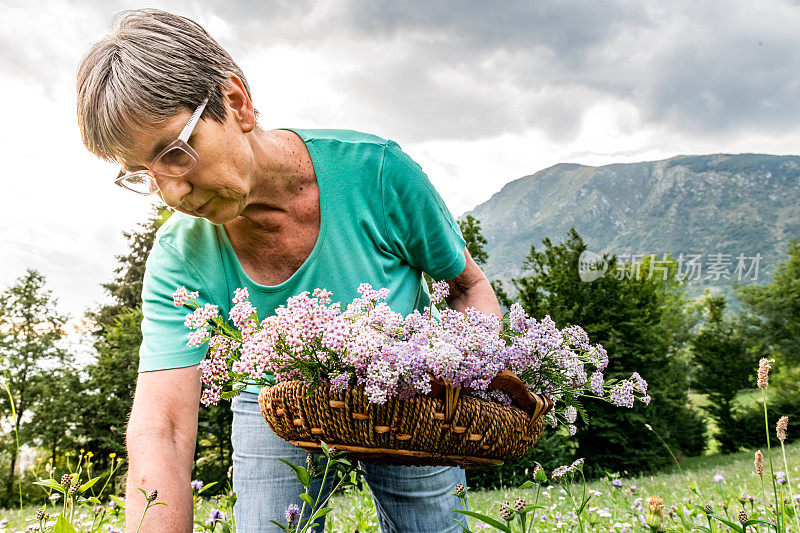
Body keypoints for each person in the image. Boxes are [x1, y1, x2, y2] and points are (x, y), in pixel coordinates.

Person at [77, 9, 501, 533]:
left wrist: (461, 374)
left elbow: (468, 284)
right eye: (143, 174)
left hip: (403, 388)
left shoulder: (377, 172)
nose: (171, 193)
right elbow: (161, 426)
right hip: (273, 399)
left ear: (235, 102)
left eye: (175, 153)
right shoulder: (180, 254)